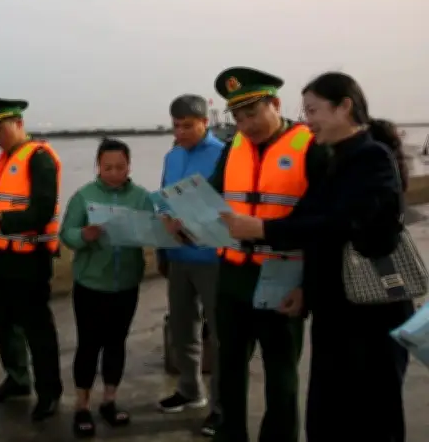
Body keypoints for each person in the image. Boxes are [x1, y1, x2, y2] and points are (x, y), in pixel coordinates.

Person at [221, 72, 413, 442]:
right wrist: (306, 289)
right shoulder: (337, 159)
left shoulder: (371, 158)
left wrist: (263, 230)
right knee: (327, 418)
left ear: (344, 107)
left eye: (313, 111)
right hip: (335, 310)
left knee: (372, 418)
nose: (307, 121)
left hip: (372, 310)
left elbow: (342, 224)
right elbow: (311, 224)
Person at [163, 67, 329, 442]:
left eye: (253, 113)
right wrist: (185, 221)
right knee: (230, 366)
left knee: (281, 374)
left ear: (276, 104)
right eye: (238, 117)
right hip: (233, 275)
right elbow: (212, 196)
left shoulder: (310, 146)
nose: (246, 125)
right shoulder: (234, 147)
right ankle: (230, 432)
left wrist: (308, 286)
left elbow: (324, 223)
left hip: (284, 276)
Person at [0, 96, 63, 421]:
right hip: (4, 256)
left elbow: (42, 211)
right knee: (6, 323)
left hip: (31, 258)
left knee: (38, 329)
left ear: (19, 123)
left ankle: (49, 392)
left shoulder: (39, 158)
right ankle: (17, 379)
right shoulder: (5, 159)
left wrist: (0, 221)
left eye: (0, 128)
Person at [60, 138, 150, 438]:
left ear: (129, 166)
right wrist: (84, 235)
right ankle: (82, 406)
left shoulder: (141, 197)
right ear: (98, 166)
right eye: (107, 167)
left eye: (120, 167)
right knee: (88, 344)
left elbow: (153, 229)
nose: (114, 173)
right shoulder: (84, 196)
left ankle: (109, 401)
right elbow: (67, 234)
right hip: (91, 284)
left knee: (116, 343)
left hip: (126, 284)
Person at [156, 95, 225, 437]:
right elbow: (163, 199)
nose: (180, 132)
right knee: (183, 328)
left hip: (212, 258)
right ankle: (189, 389)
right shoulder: (172, 156)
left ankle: (221, 408)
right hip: (178, 256)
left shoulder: (223, 154)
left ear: (205, 123)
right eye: (176, 126)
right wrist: (164, 225)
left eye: (187, 126)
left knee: (221, 335)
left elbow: (227, 205)